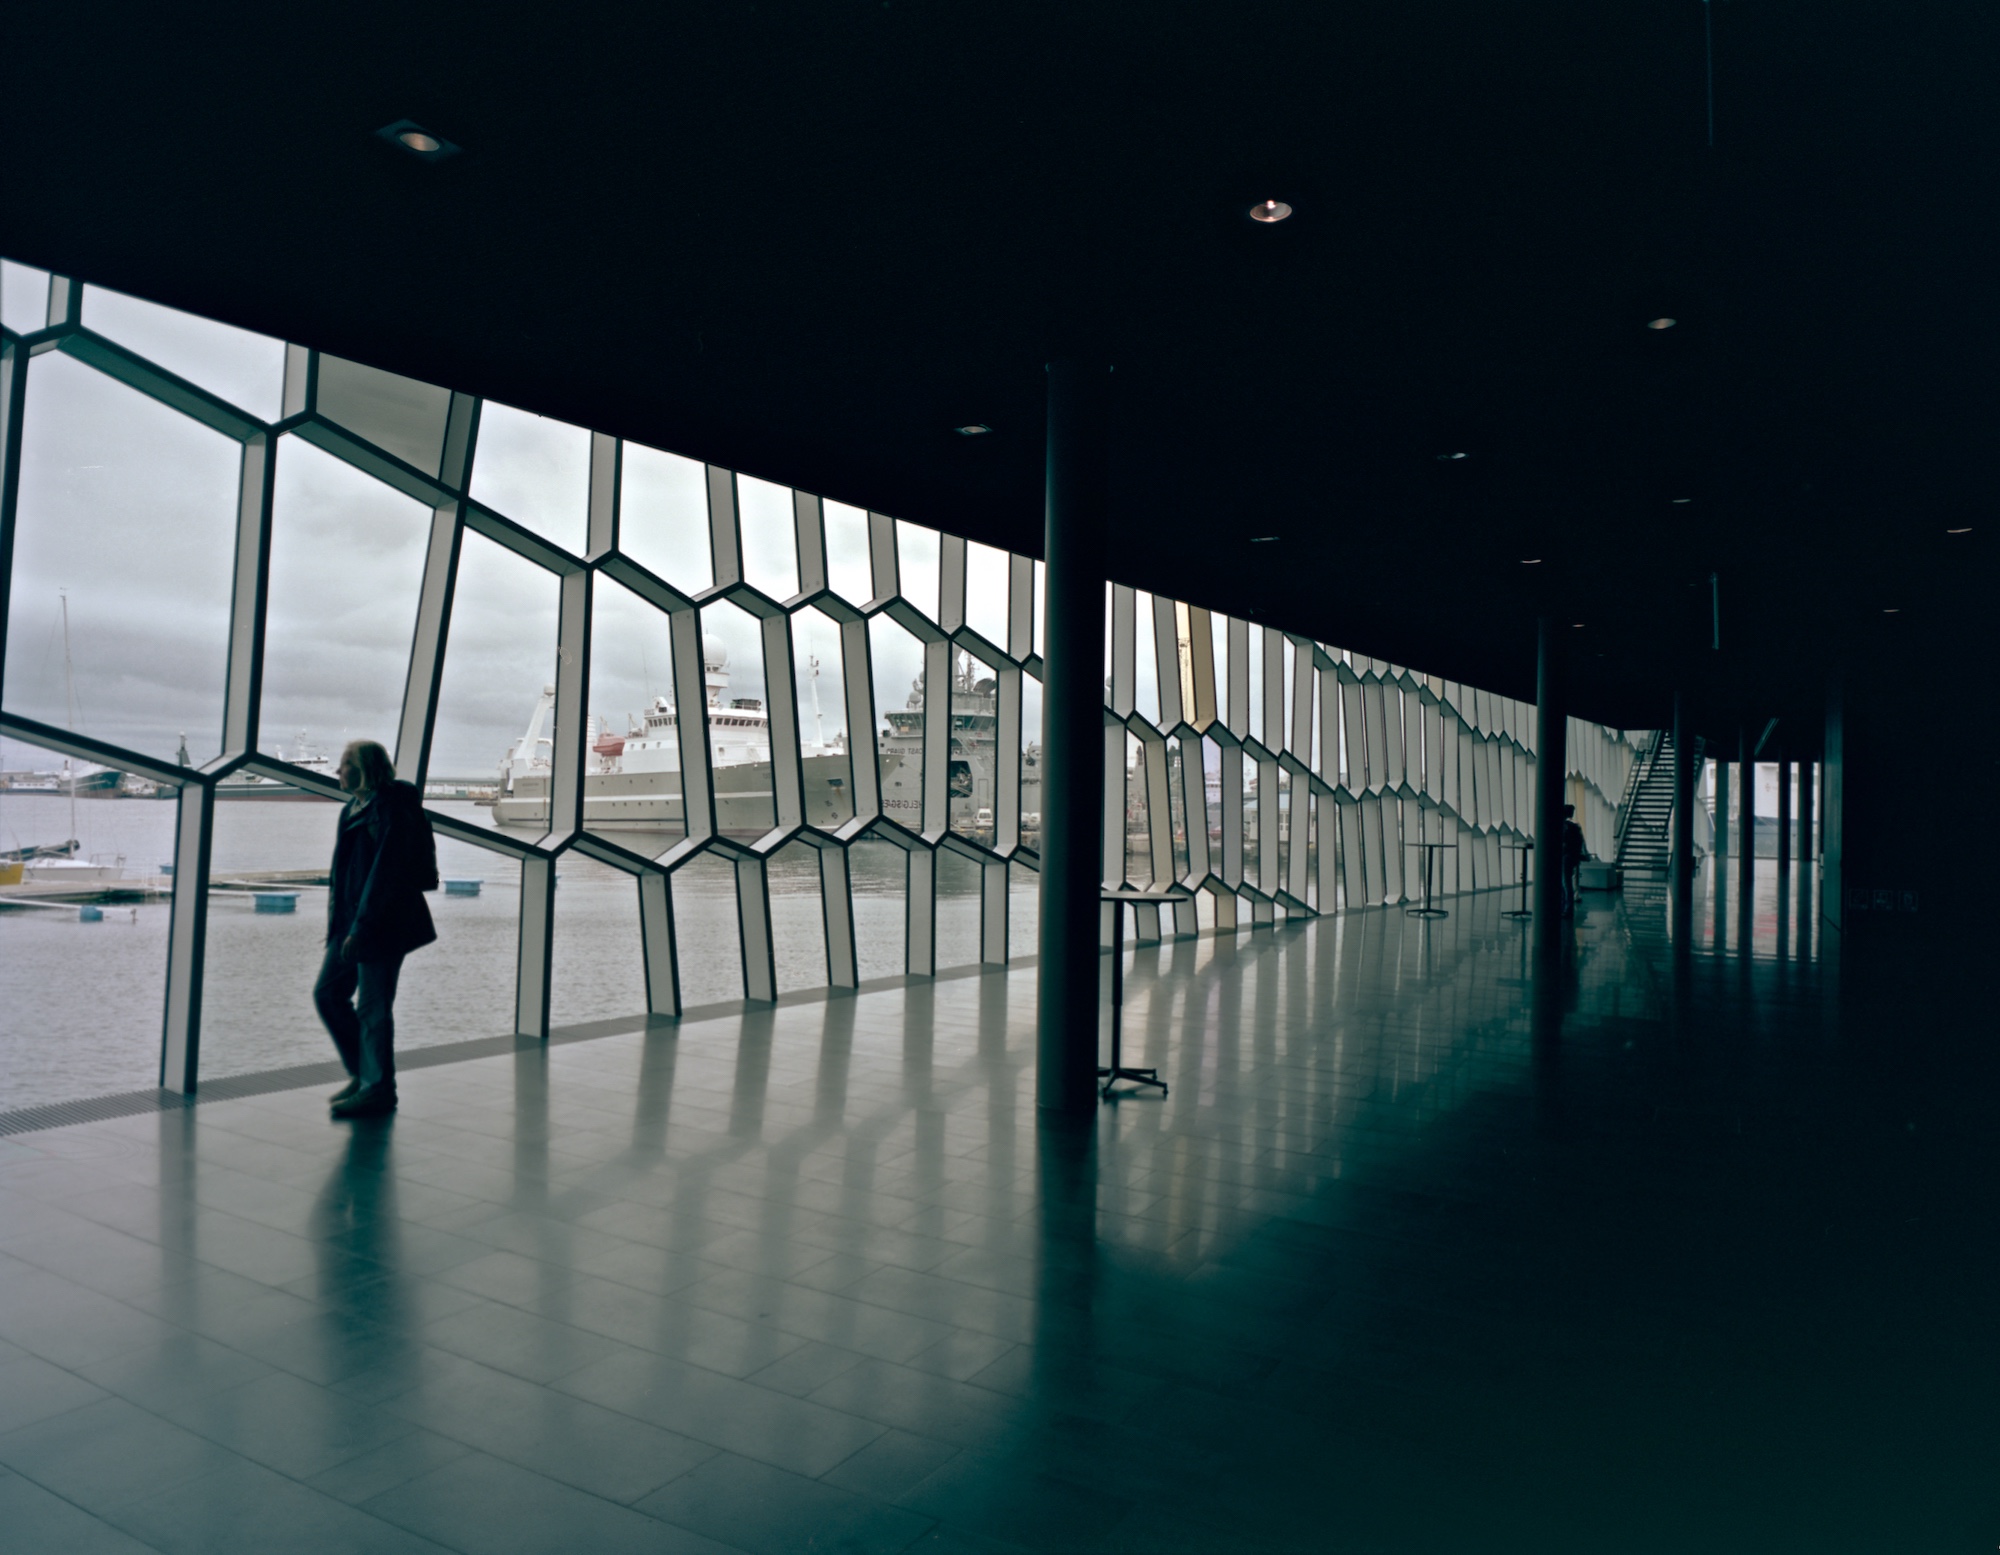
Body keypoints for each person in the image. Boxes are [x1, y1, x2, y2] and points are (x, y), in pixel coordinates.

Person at [316, 740, 436, 1119]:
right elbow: (346, 875)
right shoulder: (352, 809)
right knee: (328, 994)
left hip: (380, 925)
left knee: (373, 1008)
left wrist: (362, 928)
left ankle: (378, 1088)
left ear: (365, 768)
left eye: (345, 763)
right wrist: (339, 925)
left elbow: (385, 875)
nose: (338, 771)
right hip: (351, 923)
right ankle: (365, 1074)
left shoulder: (391, 809)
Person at [1560, 802, 1586, 917]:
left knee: (1565, 883)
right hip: (1572, 857)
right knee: (1568, 882)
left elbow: (1564, 844)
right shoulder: (1574, 826)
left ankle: (1566, 908)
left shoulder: (1565, 827)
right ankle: (1567, 907)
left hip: (1565, 857)